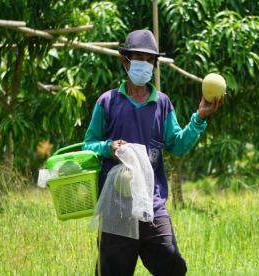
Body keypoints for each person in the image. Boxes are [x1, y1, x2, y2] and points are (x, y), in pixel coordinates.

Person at [83, 29, 223, 276]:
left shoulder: (162, 103)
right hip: (116, 209)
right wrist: (108, 147)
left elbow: (177, 144)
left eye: (150, 60)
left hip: (152, 206)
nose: (145, 65)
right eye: (139, 58)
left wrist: (199, 118)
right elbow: (88, 146)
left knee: (172, 264)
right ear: (125, 61)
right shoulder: (108, 102)